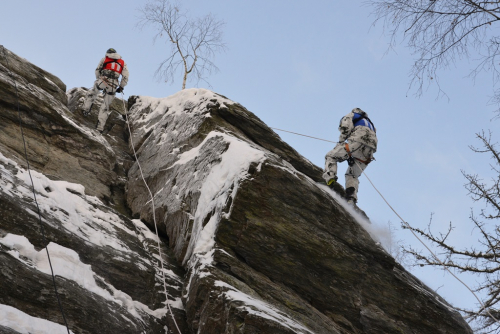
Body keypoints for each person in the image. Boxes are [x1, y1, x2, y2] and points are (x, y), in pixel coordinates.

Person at [323, 108, 377, 205]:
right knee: (353, 174)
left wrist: (341, 142)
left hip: (357, 139)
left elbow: (345, 127)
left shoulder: (352, 115)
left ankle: (330, 180)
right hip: (370, 150)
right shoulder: (371, 124)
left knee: (331, 156)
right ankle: (351, 197)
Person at [82, 48, 129, 132]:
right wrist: (121, 87)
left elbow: (97, 71)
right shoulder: (122, 62)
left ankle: (86, 109)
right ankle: (100, 127)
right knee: (106, 105)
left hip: (104, 80)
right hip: (113, 84)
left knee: (93, 92)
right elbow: (125, 76)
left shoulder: (104, 59)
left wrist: (99, 79)